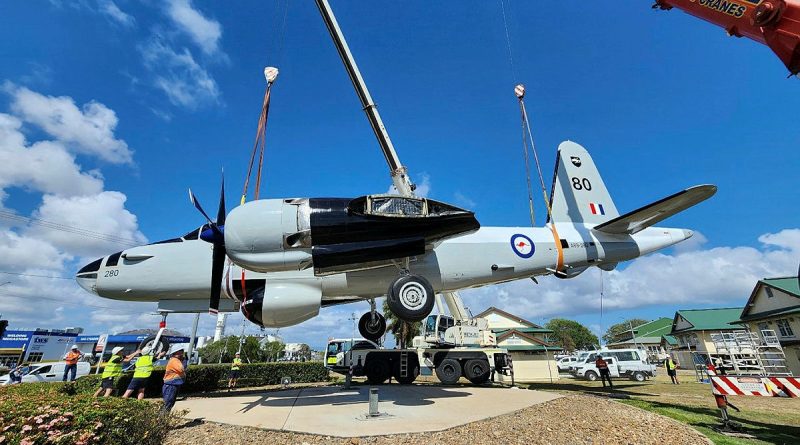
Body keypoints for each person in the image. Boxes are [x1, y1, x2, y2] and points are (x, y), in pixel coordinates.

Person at [161, 346, 188, 412]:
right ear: (176, 352)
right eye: (181, 350)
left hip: (173, 385)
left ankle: (163, 420)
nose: (182, 352)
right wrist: (184, 361)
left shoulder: (176, 360)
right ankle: (161, 420)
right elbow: (181, 369)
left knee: (170, 403)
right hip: (170, 385)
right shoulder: (174, 360)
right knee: (168, 403)